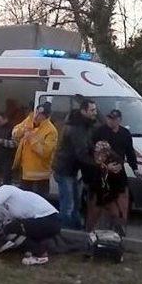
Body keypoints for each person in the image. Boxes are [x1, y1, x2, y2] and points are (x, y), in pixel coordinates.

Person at [53, 98, 99, 230]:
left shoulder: (84, 125)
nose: (94, 113)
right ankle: (64, 234)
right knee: (68, 205)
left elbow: (87, 147)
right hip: (66, 170)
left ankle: (76, 232)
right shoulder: (77, 128)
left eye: (95, 110)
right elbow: (81, 152)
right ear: (83, 111)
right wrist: (97, 163)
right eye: (92, 110)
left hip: (72, 170)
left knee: (75, 204)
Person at [12, 102, 58, 196]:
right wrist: (22, 130)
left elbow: (45, 152)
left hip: (39, 175)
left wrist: (31, 139)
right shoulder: (29, 119)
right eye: (36, 112)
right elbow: (14, 132)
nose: (36, 116)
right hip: (25, 171)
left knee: (38, 201)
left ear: (46, 116)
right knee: (24, 199)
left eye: (40, 114)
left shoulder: (51, 131)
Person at [83, 141, 129, 235]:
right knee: (93, 217)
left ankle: (118, 236)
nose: (99, 157)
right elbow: (91, 181)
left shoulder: (116, 164)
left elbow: (119, 185)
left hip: (114, 193)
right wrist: (103, 169)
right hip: (98, 193)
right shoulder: (92, 163)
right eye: (97, 153)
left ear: (107, 154)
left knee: (117, 216)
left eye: (103, 154)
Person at [0, 112, 16, 184]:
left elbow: (15, 144)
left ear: (5, 119)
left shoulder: (13, 129)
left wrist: (1, 141)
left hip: (8, 157)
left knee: (6, 178)